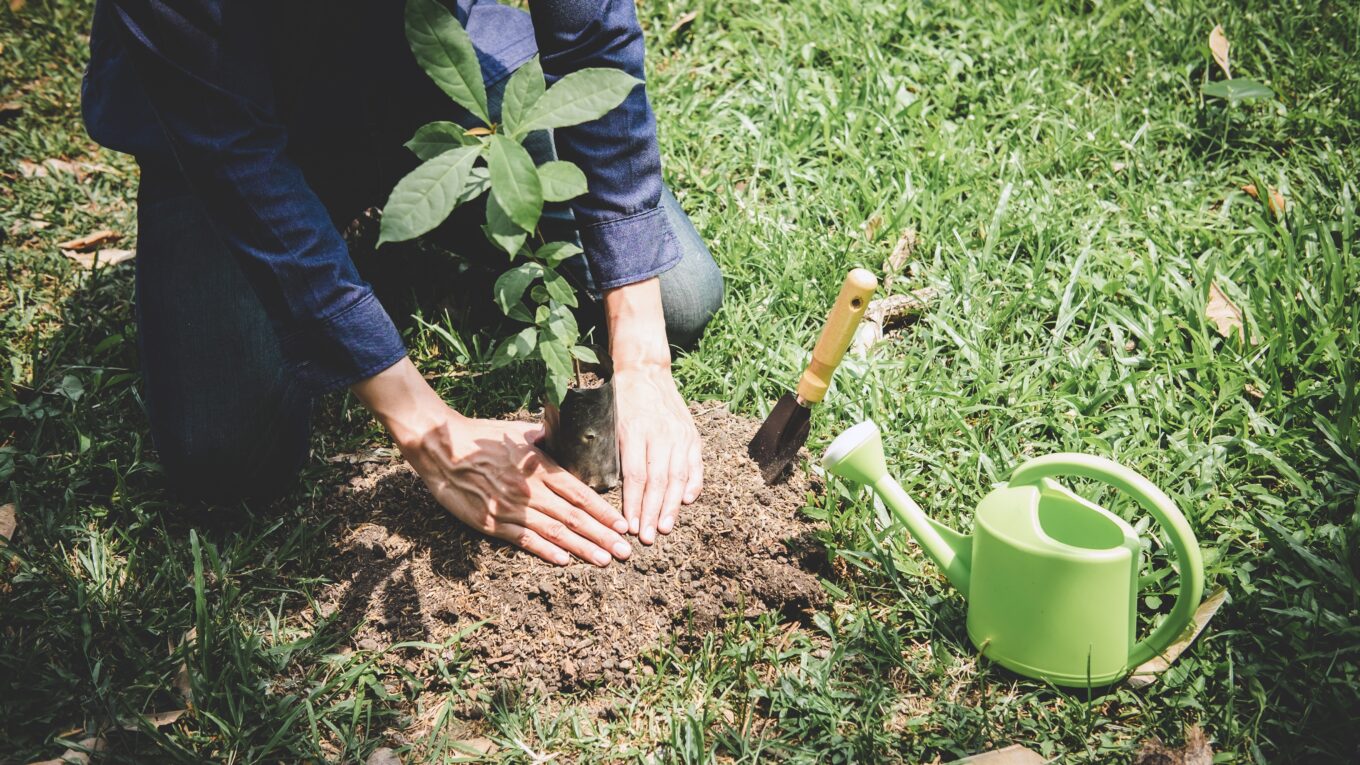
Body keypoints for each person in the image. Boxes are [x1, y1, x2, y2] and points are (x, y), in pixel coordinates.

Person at [81, 0, 724, 567]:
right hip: (227, 113)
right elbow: (231, 154)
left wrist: (642, 356)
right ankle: (345, 207)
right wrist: (426, 427)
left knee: (677, 294)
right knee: (225, 456)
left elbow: (591, 37)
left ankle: (389, 183)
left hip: (422, 60)